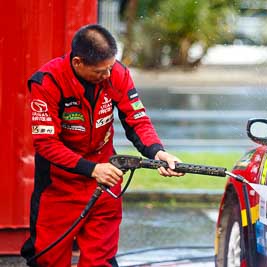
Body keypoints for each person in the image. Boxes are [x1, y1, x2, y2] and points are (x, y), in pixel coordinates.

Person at [21, 24, 183, 267]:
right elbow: (46, 144)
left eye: (110, 67)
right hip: (58, 186)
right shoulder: (47, 82)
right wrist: (92, 169)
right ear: (78, 63)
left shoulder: (117, 72)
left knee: (101, 260)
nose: (108, 75)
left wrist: (156, 151)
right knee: (47, 258)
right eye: (100, 71)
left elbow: (137, 120)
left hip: (105, 180)